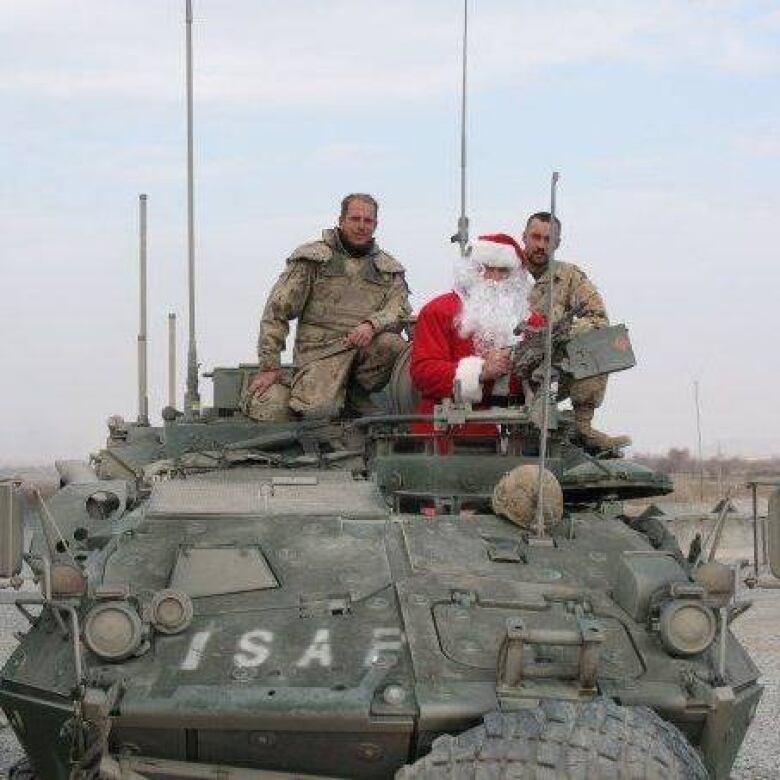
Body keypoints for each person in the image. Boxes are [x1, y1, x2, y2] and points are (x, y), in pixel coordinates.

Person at [245, 194, 410, 420]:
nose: (361, 226)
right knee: (318, 414)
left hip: (363, 356)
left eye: (367, 221)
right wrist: (269, 367)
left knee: (393, 344)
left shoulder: (387, 270)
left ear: (375, 225)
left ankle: (354, 395)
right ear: (341, 221)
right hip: (320, 357)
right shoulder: (314, 260)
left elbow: (399, 309)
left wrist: (372, 324)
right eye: (355, 219)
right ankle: (319, 396)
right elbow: (277, 310)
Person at [520, 211, 631, 450]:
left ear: (557, 244)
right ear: (524, 238)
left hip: (550, 368)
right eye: (535, 237)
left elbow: (599, 318)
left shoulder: (569, 277)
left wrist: (560, 333)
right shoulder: (505, 271)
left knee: (604, 342)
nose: (541, 245)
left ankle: (583, 426)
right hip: (507, 365)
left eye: (548, 240)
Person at [410, 234, 530, 438]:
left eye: (503, 271)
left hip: (518, 436)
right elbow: (423, 373)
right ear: (471, 270)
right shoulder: (438, 310)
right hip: (448, 436)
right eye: (486, 268)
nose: (493, 278)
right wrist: (480, 371)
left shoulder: (531, 321)